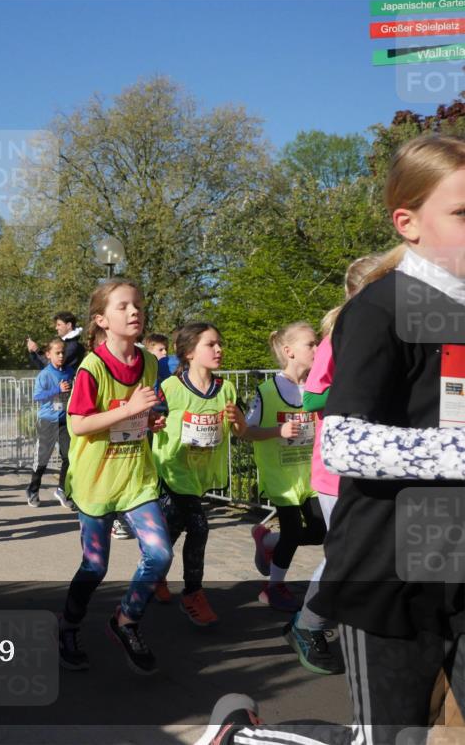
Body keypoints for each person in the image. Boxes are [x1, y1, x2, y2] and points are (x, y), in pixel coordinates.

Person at [198, 134, 465, 745]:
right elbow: (342, 442)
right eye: (462, 212)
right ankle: (242, 738)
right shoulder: (380, 309)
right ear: (407, 223)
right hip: (388, 568)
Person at [57, 279, 170, 675]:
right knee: (95, 567)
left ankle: (125, 621)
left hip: (136, 477)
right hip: (97, 481)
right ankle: (68, 627)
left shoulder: (150, 362)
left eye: (137, 304)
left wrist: (148, 420)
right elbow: (78, 425)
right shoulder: (93, 367)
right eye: (123, 306)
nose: (134, 311)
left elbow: (138, 412)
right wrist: (130, 410)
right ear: (102, 320)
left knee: (160, 554)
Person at [282, 253, 381, 676]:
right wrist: (360, 387)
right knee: (347, 553)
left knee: (375, 550)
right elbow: (312, 398)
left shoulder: (393, 333)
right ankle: (309, 624)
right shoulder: (337, 337)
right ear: (358, 293)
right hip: (337, 468)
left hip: (378, 464)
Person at [150, 323, 247, 626]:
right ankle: (193, 594)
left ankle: (154, 574)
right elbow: (149, 422)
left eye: (220, 343)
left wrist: (237, 419)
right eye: (211, 344)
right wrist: (153, 422)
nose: (219, 349)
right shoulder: (170, 388)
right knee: (199, 527)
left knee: (173, 528)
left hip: (200, 474)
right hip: (171, 470)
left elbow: (241, 431)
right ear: (189, 353)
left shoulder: (226, 389)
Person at [241, 321, 324, 613]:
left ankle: (267, 540)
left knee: (320, 531)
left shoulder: (317, 387)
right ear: (289, 351)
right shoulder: (267, 391)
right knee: (292, 532)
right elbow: (246, 432)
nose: (317, 348)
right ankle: (273, 588)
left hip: (309, 475)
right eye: (310, 344)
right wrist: (278, 431)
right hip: (281, 477)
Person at [25, 337, 75, 509]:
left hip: (64, 422)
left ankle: (62, 489)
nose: (61, 356)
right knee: (42, 460)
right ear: (48, 354)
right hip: (47, 421)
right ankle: (33, 490)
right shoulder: (45, 374)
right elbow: (37, 397)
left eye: (63, 352)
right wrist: (57, 389)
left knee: (69, 456)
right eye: (57, 353)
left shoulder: (69, 371)